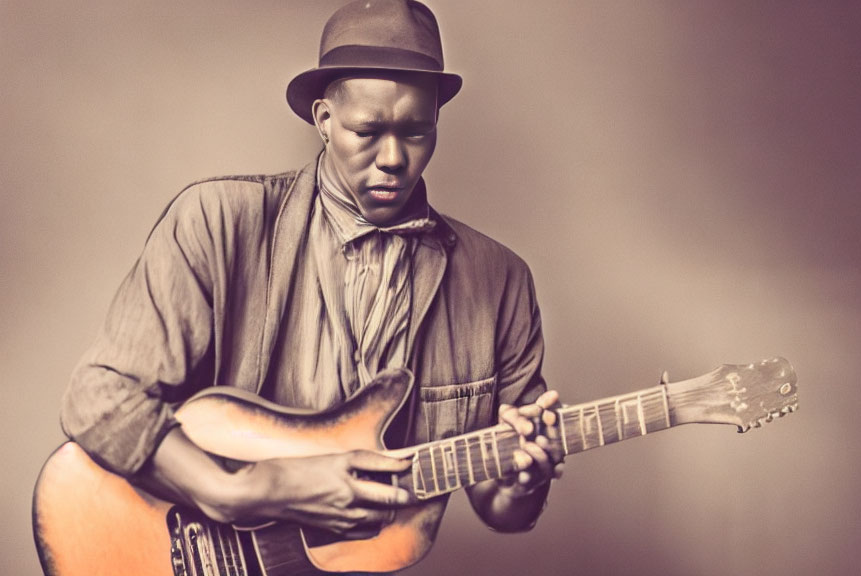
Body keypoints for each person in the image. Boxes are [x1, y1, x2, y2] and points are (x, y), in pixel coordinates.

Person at [59, 0, 563, 570]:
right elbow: (97, 399)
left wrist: (523, 481)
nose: (394, 159)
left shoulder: (500, 280)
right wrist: (240, 492)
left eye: (417, 132)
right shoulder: (218, 221)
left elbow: (500, 508)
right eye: (366, 131)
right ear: (324, 119)